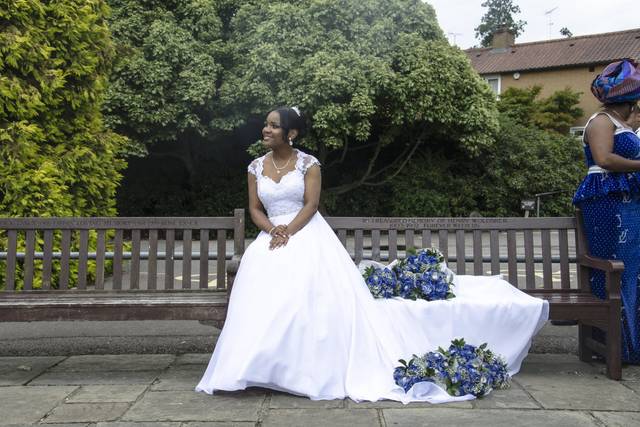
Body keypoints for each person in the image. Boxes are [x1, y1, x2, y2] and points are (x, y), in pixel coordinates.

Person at [196, 106, 548, 403]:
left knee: (300, 294)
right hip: (271, 234)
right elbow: (255, 208)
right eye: (267, 124)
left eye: (274, 125)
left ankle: (298, 369)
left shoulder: (309, 164)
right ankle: (252, 366)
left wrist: (289, 230)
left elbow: (312, 204)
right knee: (258, 289)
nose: (266, 129)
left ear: (292, 134)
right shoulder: (256, 167)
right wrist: (272, 229)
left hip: (304, 232)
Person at [573, 58, 640, 364]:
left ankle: (630, 343)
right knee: (612, 267)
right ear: (628, 100)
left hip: (627, 201)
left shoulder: (625, 124)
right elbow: (605, 158)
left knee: (631, 271)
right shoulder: (601, 121)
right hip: (605, 200)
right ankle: (611, 344)